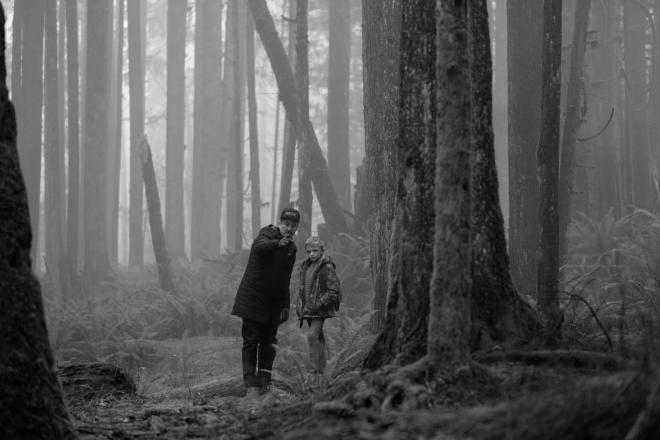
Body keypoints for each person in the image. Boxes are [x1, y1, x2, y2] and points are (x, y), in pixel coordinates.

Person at [231, 208, 300, 397]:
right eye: (286, 224)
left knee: (269, 343)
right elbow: (260, 247)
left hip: (274, 303)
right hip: (253, 299)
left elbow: (286, 278)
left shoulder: (291, 249)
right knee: (251, 341)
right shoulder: (266, 234)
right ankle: (250, 383)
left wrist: (285, 305)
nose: (289, 229)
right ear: (280, 222)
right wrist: (278, 243)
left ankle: (265, 381)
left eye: (293, 226)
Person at [295, 236, 341, 374]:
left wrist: (318, 304)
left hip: (319, 309)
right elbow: (303, 288)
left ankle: (313, 371)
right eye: (309, 251)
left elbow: (333, 291)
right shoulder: (306, 265)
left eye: (315, 250)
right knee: (318, 337)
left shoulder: (327, 267)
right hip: (308, 308)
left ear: (322, 250)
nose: (312, 254)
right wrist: (301, 305)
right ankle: (322, 370)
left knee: (311, 336)